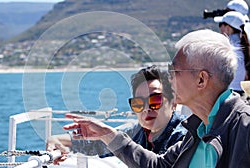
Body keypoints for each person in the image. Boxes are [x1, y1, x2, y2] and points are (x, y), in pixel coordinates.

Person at [63, 29, 250, 167]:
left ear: (201, 79)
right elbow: (159, 166)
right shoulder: (197, 129)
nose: (169, 78)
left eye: (174, 71)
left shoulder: (245, 127)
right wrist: (107, 135)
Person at [46, 65, 187, 157]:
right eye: (138, 104)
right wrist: (56, 140)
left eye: (155, 101)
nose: (146, 108)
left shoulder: (183, 137)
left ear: (173, 103)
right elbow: (99, 144)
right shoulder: (138, 132)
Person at [214, 11, 249, 95]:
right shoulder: (243, 46)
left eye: (221, 24)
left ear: (228, 28)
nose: (220, 28)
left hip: (229, 93)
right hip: (241, 92)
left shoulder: (228, 47)